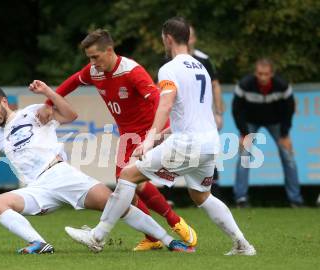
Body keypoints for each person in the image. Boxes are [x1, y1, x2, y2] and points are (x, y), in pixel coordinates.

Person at [0, 82, 190, 254]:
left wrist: (47, 92)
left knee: (118, 203)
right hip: (36, 189)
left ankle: (169, 241)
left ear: (3, 101)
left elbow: (71, 115)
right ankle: (39, 243)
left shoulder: (32, 113)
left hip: (60, 174)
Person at [65, 17, 256, 256]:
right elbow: (194, 112)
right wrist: (164, 133)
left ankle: (97, 236)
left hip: (186, 143)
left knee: (127, 175)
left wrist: (148, 139)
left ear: (167, 38)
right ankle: (242, 244)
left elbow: (165, 104)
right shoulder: (201, 68)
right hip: (209, 143)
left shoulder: (169, 68)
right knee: (201, 195)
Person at [39, 29, 197, 251]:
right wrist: (48, 103)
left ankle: (175, 222)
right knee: (127, 189)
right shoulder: (95, 71)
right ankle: (152, 238)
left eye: (96, 57)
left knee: (132, 185)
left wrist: (164, 132)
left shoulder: (133, 72)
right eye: (89, 58)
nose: (93, 63)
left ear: (110, 50)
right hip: (127, 136)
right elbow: (73, 81)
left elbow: (158, 102)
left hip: (146, 133)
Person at [232, 58, 305, 208]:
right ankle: (241, 199)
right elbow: (237, 110)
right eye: (260, 74)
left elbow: (289, 110)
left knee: (288, 156)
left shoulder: (282, 86)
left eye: (266, 74)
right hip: (251, 122)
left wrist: (285, 135)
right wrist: (244, 133)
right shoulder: (245, 85)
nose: (263, 77)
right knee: (244, 156)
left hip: (276, 122)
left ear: (271, 74)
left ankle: (296, 200)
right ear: (255, 73)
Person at [188, 25, 225, 197]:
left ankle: (213, 193)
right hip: (180, 118)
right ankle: (170, 197)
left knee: (208, 153)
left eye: (189, 36)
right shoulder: (167, 60)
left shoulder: (204, 59)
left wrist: (218, 112)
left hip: (203, 118)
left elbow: (215, 85)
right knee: (172, 154)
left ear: (194, 39)